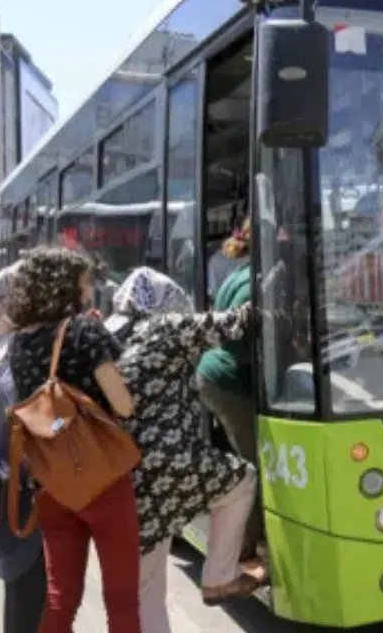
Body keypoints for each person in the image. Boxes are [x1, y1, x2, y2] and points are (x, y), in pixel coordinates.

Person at [106, 268, 264, 628]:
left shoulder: (114, 334)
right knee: (242, 478)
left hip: (123, 474)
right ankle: (219, 577)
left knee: (146, 591)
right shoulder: (165, 328)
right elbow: (235, 324)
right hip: (168, 466)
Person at [6, 247, 139, 633]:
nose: (89, 291)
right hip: (103, 479)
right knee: (121, 598)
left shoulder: (20, 340)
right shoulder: (85, 330)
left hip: (53, 482)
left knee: (60, 598)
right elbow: (123, 405)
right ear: (66, 287)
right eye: (84, 283)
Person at [0, 262, 47, 633]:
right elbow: (36, 424)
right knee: (29, 601)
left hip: (3, 489)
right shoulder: (18, 353)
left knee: (21, 597)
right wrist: (68, 422)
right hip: (24, 496)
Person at [196, 217, 263, 569]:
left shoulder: (241, 272)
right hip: (228, 379)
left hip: (214, 375)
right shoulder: (259, 279)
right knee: (257, 467)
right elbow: (243, 338)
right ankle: (243, 549)